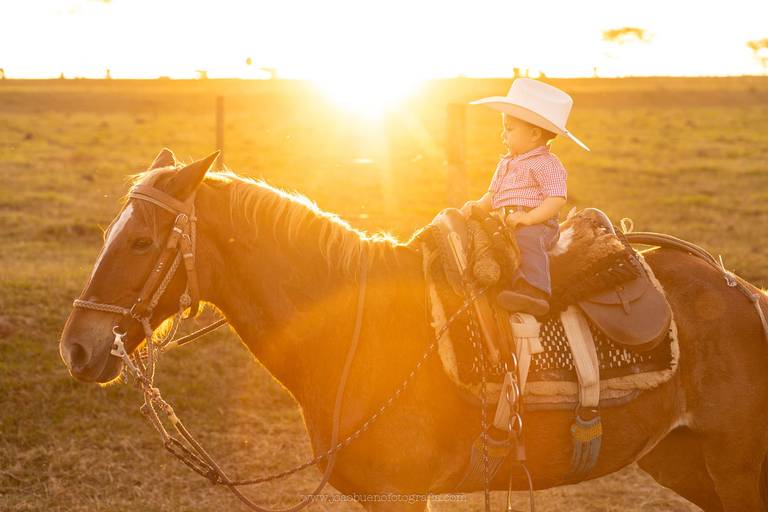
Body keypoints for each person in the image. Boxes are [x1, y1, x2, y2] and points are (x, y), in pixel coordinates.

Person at [462, 78, 590, 316]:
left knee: (527, 240)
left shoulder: (546, 163)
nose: (503, 134)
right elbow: (493, 194)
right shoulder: (506, 163)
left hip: (539, 223)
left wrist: (530, 218)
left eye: (509, 129)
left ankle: (534, 290)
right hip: (506, 221)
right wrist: (477, 207)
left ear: (533, 134)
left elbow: (556, 198)